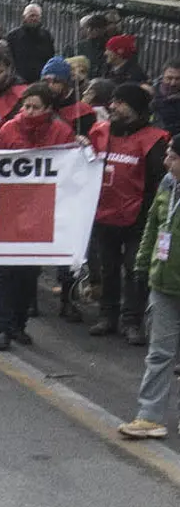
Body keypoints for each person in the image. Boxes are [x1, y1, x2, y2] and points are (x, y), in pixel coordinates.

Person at [0, 86, 76, 351]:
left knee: (28, 274)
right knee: (5, 274)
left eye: (36, 107)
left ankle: (19, 325)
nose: (29, 112)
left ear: (49, 109)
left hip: (41, 213)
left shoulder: (61, 133)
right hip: (10, 210)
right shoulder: (9, 130)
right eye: (26, 106)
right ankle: (2, 328)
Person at [85, 84, 168, 344]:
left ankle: (131, 320)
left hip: (137, 217)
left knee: (135, 269)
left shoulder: (155, 139)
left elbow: (158, 179)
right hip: (103, 214)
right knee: (108, 268)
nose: (113, 106)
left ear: (136, 108)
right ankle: (107, 315)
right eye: (113, 101)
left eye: (120, 102)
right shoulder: (100, 132)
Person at [118, 134, 180, 439]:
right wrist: (142, 263)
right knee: (159, 353)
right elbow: (153, 228)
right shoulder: (167, 185)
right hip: (164, 281)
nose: (166, 161)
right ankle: (149, 416)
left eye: (172, 156)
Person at [5, 3, 57, 83]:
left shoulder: (47, 36)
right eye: (31, 16)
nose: (34, 18)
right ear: (24, 18)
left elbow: (50, 58)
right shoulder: (13, 36)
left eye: (37, 16)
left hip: (40, 81)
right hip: (18, 82)